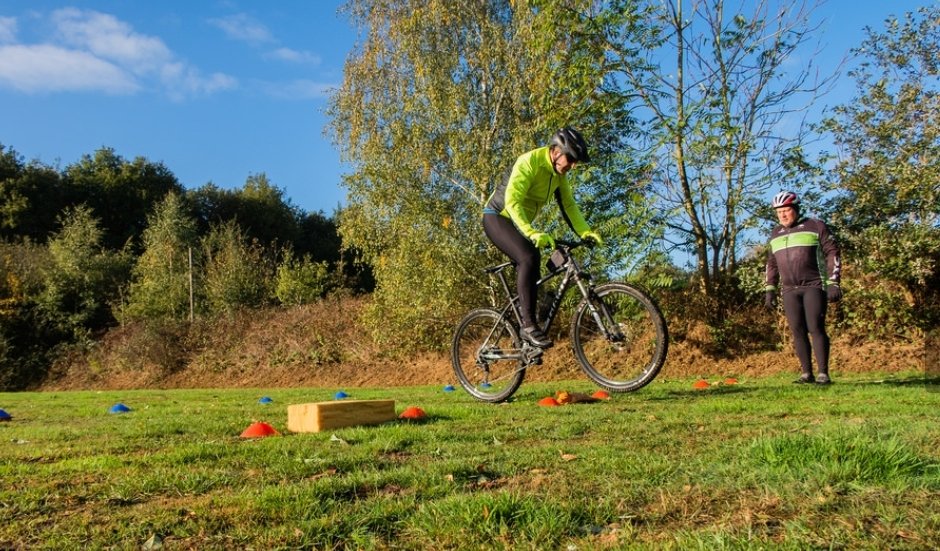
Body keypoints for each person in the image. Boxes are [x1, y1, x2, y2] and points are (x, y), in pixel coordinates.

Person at [483, 127, 602, 349]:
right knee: (528, 256)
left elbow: (568, 205)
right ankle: (528, 325)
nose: (573, 166)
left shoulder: (559, 175)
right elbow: (513, 202)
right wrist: (531, 232)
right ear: (556, 152)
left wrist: (585, 231)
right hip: (497, 217)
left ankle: (529, 318)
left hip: (519, 223)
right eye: (572, 159)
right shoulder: (529, 162)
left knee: (538, 262)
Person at [764, 191, 842, 385]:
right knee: (797, 330)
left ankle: (823, 373)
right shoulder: (775, 233)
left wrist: (833, 282)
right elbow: (771, 263)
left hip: (814, 284)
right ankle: (806, 373)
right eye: (779, 212)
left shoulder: (814, 226)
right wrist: (769, 289)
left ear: (796, 210)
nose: (782, 215)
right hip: (789, 289)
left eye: (786, 210)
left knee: (815, 327)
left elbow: (832, 252)